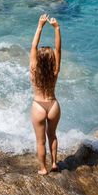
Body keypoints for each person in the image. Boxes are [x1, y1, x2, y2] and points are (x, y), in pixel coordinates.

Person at [30, 13, 61, 175]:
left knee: (40, 141)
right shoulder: (55, 70)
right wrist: (56, 28)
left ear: (38, 60)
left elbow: (34, 47)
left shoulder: (34, 71)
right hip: (53, 104)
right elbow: (58, 49)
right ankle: (54, 163)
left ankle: (43, 168)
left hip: (38, 106)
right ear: (52, 61)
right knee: (52, 136)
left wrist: (40, 26)